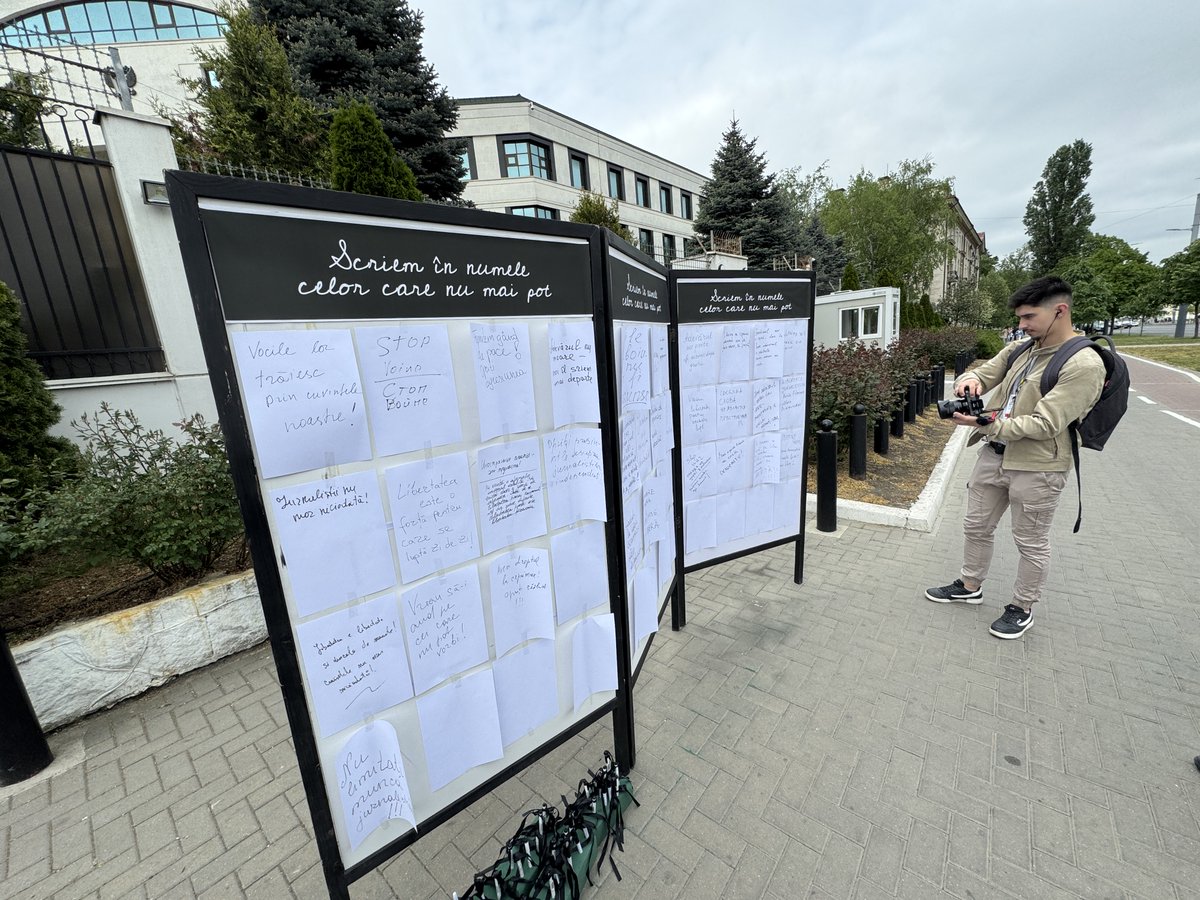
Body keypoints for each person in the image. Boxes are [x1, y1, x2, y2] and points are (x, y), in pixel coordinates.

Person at [925, 276, 1105, 639]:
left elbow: (1045, 423)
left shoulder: (1084, 364)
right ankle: (970, 585)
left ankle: (1022, 607)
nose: (1021, 324)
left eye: (1028, 317)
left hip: (1038, 467)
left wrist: (985, 423)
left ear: (1060, 311)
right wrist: (969, 381)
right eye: (1020, 317)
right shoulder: (1023, 349)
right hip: (994, 455)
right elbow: (984, 371)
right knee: (976, 526)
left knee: (1030, 541)